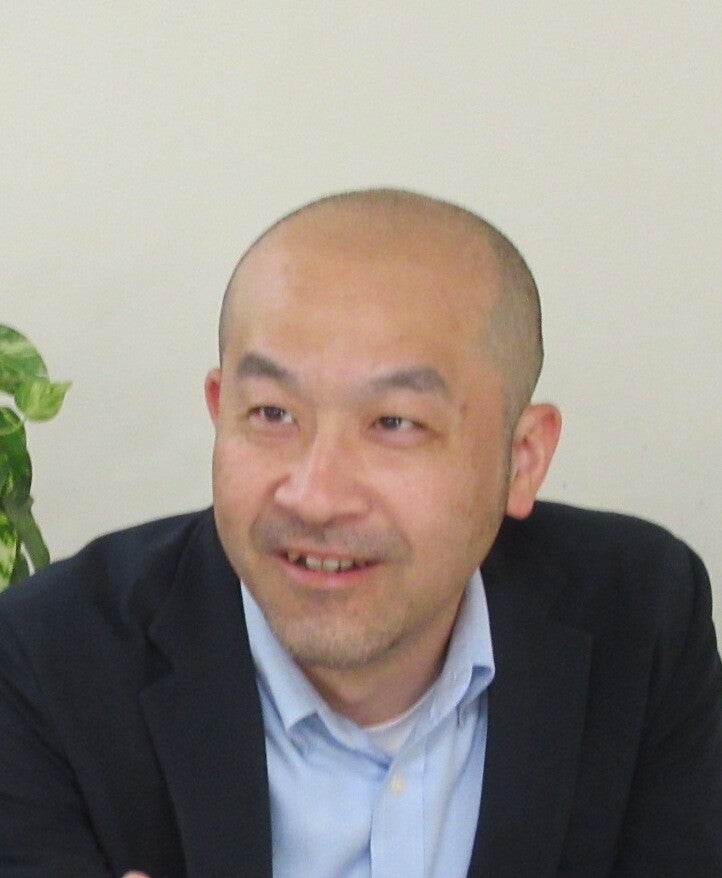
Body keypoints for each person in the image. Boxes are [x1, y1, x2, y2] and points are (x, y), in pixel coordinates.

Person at [0, 189, 720, 878]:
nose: (315, 497)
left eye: (394, 423)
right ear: (220, 411)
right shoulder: (48, 660)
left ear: (522, 458)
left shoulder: (640, 615)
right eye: (273, 414)